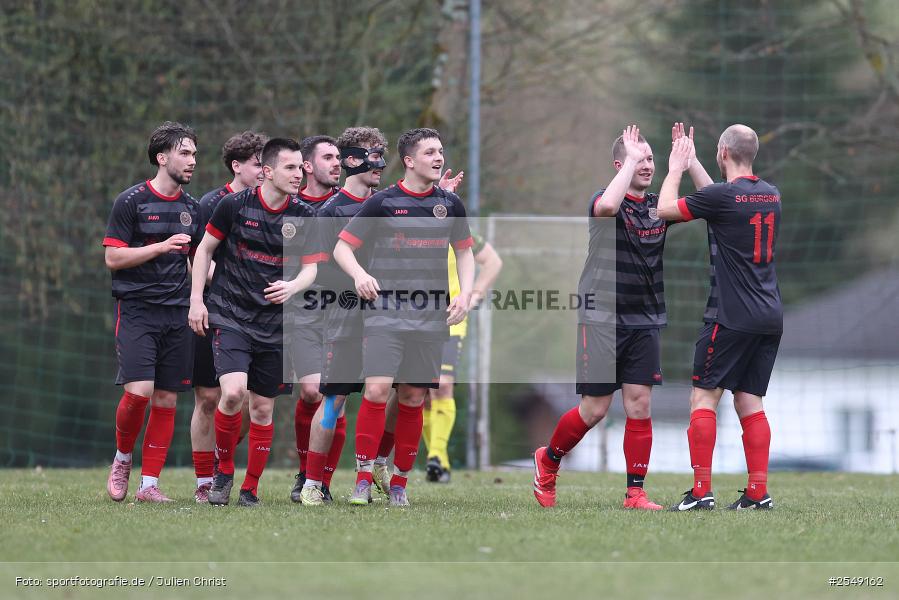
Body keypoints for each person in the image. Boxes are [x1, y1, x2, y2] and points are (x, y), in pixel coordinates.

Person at [532, 124, 712, 510]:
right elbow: (608, 208)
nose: (647, 164)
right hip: (601, 319)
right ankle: (548, 461)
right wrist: (628, 166)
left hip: (645, 319)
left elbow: (714, 200)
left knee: (639, 405)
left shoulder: (658, 208)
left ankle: (635, 492)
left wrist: (690, 162)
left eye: (650, 158)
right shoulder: (605, 199)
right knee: (594, 410)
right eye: (638, 158)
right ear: (620, 163)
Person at [333, 127, 474, 507]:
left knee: (413, 397)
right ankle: (362, 479)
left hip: (430, 316)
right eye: (430, 152)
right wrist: (360, 275)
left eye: (441, 150)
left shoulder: (450, 204)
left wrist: (466, 294)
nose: (439, 157)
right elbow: (342, 248)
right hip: (384, 312)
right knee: (378, 391)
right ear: (409, 161)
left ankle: (399, 485)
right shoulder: (382, 202)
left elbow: (465, 252)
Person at [188, 138, 324, 508]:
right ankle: (224, 473)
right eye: (291, 168)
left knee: (263, 409)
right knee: (231, 394)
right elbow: (203, 250)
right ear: (267, 171)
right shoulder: (233, 206)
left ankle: (250, 488)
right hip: (231, 316)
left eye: (301, 167)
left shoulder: (304, 216)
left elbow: (311, 267)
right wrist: (197, 300)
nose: (300, 174)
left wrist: (293, 285)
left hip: (277, 325)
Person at [657, 124, 781, 511]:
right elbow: (721, 200)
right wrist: (697, 162)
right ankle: (758, 494)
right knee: (750, 402)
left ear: (723, 152)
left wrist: (677, 166)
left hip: (730, 315)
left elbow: (664, 210)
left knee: (703, 397)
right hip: (769, 315)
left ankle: (700, 491)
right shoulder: (771, 194)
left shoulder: (723, 199)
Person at [103, 121, 200, 503]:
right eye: (185, 153)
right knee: (139, 393)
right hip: (139, 310)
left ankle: (149, 486)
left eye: (194, 153)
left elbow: (198, 261)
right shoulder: (131, 201)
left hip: (178, 313)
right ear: (162, 158)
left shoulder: (193, 208)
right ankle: (123, 457)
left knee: (167, 399)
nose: (192, 160)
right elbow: (113, 257)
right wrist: (160, 247)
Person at [297, 126, 388, 505]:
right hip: (345, 314)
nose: (380, 163)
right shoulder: (329, 212)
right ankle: (312, 483)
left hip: (387, 316)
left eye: (383, 153)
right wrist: (356, 281)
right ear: (354, 160)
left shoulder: (386, 203)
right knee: (333, 399)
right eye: (373, 154)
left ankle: (377, 471)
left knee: (394, 394)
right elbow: (319, 269)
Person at [374, 233, 502, 487]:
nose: (450, 190)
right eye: (447, 188)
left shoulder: (457, 227)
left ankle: (436, 456)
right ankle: (436, 461)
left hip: (449, 320)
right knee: (416, 392)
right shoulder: (407, 219)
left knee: (443, 385)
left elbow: (493, 261)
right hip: (411, 318)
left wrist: (473, 296)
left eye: (455, 188)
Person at [191, 131, 267, 503]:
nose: (263, 172)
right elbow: (199, 255)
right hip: (216, 312)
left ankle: (227, 463)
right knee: (208, 396)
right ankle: (206, 481)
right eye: (257, 165)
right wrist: (202, 296)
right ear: (237, 166)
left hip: (261, 319)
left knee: (253, 401)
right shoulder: (214, 203)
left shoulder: (276, 205)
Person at [289, 134, 341, 501]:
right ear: (308, 166)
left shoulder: (351, 205)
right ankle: (305, 471)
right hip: (301, 311)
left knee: (335, 396)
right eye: (328, 157)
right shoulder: (290, 207)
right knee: (309, 392)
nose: (337, 163)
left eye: (339, 156)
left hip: (344, 312)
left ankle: (319, 480)